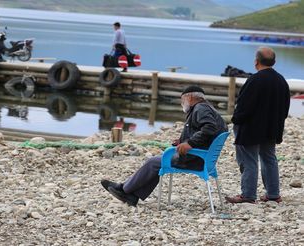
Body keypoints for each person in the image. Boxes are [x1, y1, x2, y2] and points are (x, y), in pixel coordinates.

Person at [101, 86, 228, 206]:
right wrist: (182, 141)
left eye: (182, 99)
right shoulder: (208, 108)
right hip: (204, 158)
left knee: (153, 162)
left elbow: (209, 128)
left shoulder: (200, 108)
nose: (181, 102)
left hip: (195, 159)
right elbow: (206, 132)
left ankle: (124, 190)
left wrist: (190, 143)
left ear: (189, 97)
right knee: (159, 162)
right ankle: (132, 195)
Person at [225, 47, 290, 204]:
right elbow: (285, 108)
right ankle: (273, 194)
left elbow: (244, 106)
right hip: (272, 128)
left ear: (256, 61)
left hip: (251, 129)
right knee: (269, 159)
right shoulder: (281, 81)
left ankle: (248, 195)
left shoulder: (255, 80)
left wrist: (236, 120)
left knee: (249, 161)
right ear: (273, 62)